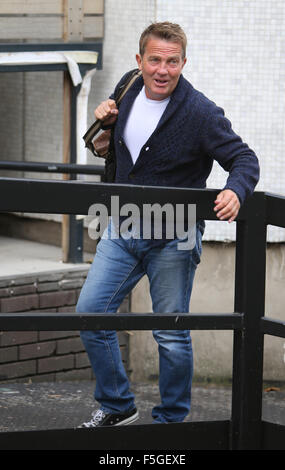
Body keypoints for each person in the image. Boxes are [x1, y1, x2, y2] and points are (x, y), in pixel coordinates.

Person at [76, 22, 259, 427]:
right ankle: (118, 406)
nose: (163, 70)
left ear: (183, 62)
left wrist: (235, 191)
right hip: (122, 226)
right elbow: (108, 148)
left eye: (172, 61)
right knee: (90, 313)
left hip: (174, 235)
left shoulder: (200, 112)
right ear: (139, 61)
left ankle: (171, 423)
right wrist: (104, 121)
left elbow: (244, 159)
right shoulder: (127, 86)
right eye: (154, 60)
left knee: (170, 332)